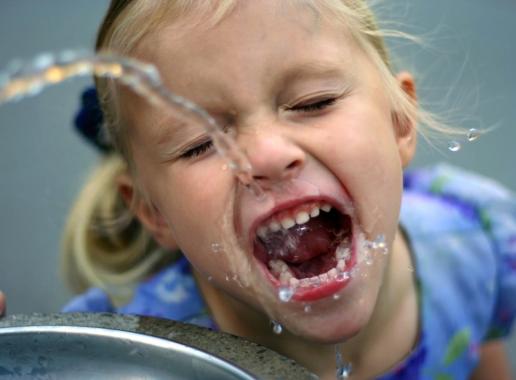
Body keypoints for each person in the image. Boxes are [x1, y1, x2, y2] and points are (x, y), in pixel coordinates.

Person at [7, 1, 514, 379]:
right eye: (199, 144)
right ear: (152, 211)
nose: (265, 157)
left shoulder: (474, 243)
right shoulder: (120, 356)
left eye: (313, 102)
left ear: (399, 121)